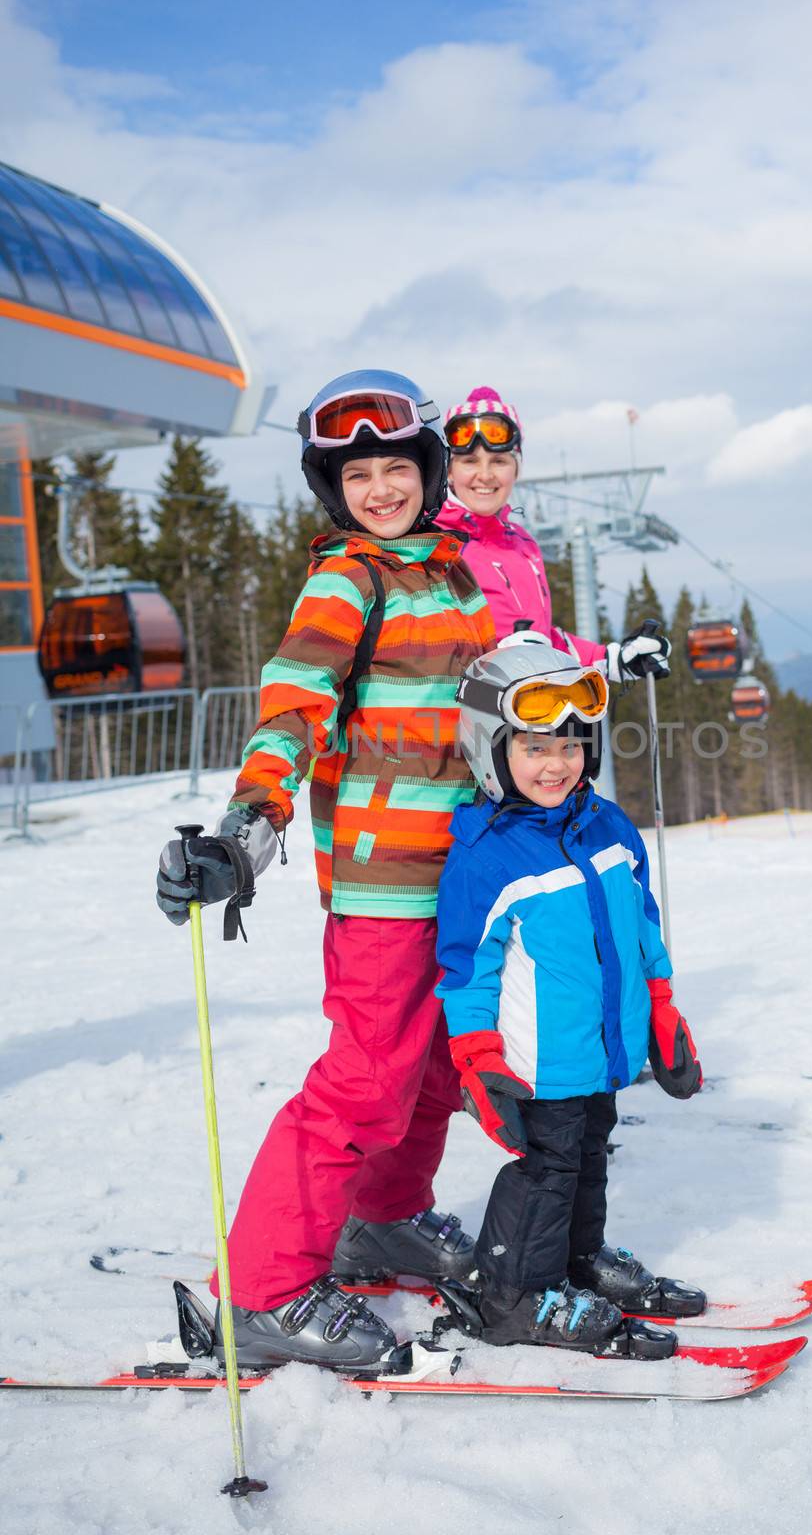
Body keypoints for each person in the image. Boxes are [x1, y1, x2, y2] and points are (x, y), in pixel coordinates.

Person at [155, 370, 496, 1372]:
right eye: (357, 475)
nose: (379, 487)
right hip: (386, 877)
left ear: (427, 471)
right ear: (331, 490)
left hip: (463, 868)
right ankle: (261, 1291)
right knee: (364, 1080)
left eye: (396, 465)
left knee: (433, 1069)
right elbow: (294, 706)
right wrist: (243, 831)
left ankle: (384, 1218)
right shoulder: (348, 578)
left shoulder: (451, 574)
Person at [435, 633, 705, 1354]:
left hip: (602, 1050)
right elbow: (464, 973)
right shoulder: (485, 857)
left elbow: (642, 927)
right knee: (547, 1171)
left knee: (590, 1156)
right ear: (491, 751)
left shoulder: (608, 827)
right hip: (539, 1060)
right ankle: (514, 1295)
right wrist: (477, 1060)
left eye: (569, 745)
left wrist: (663, 1010)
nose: (555, 764)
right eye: (532, 748)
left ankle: (574, 1265)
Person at [435, 385, 671, 684]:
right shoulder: (432, 541)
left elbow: (541, 642)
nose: (485, 475)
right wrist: (499, 658)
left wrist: (610, 658)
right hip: (464, 720)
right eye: (469, 462)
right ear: (450, 471)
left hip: (532, 714)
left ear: (515, 470)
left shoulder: (522, 546)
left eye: (499, 462)